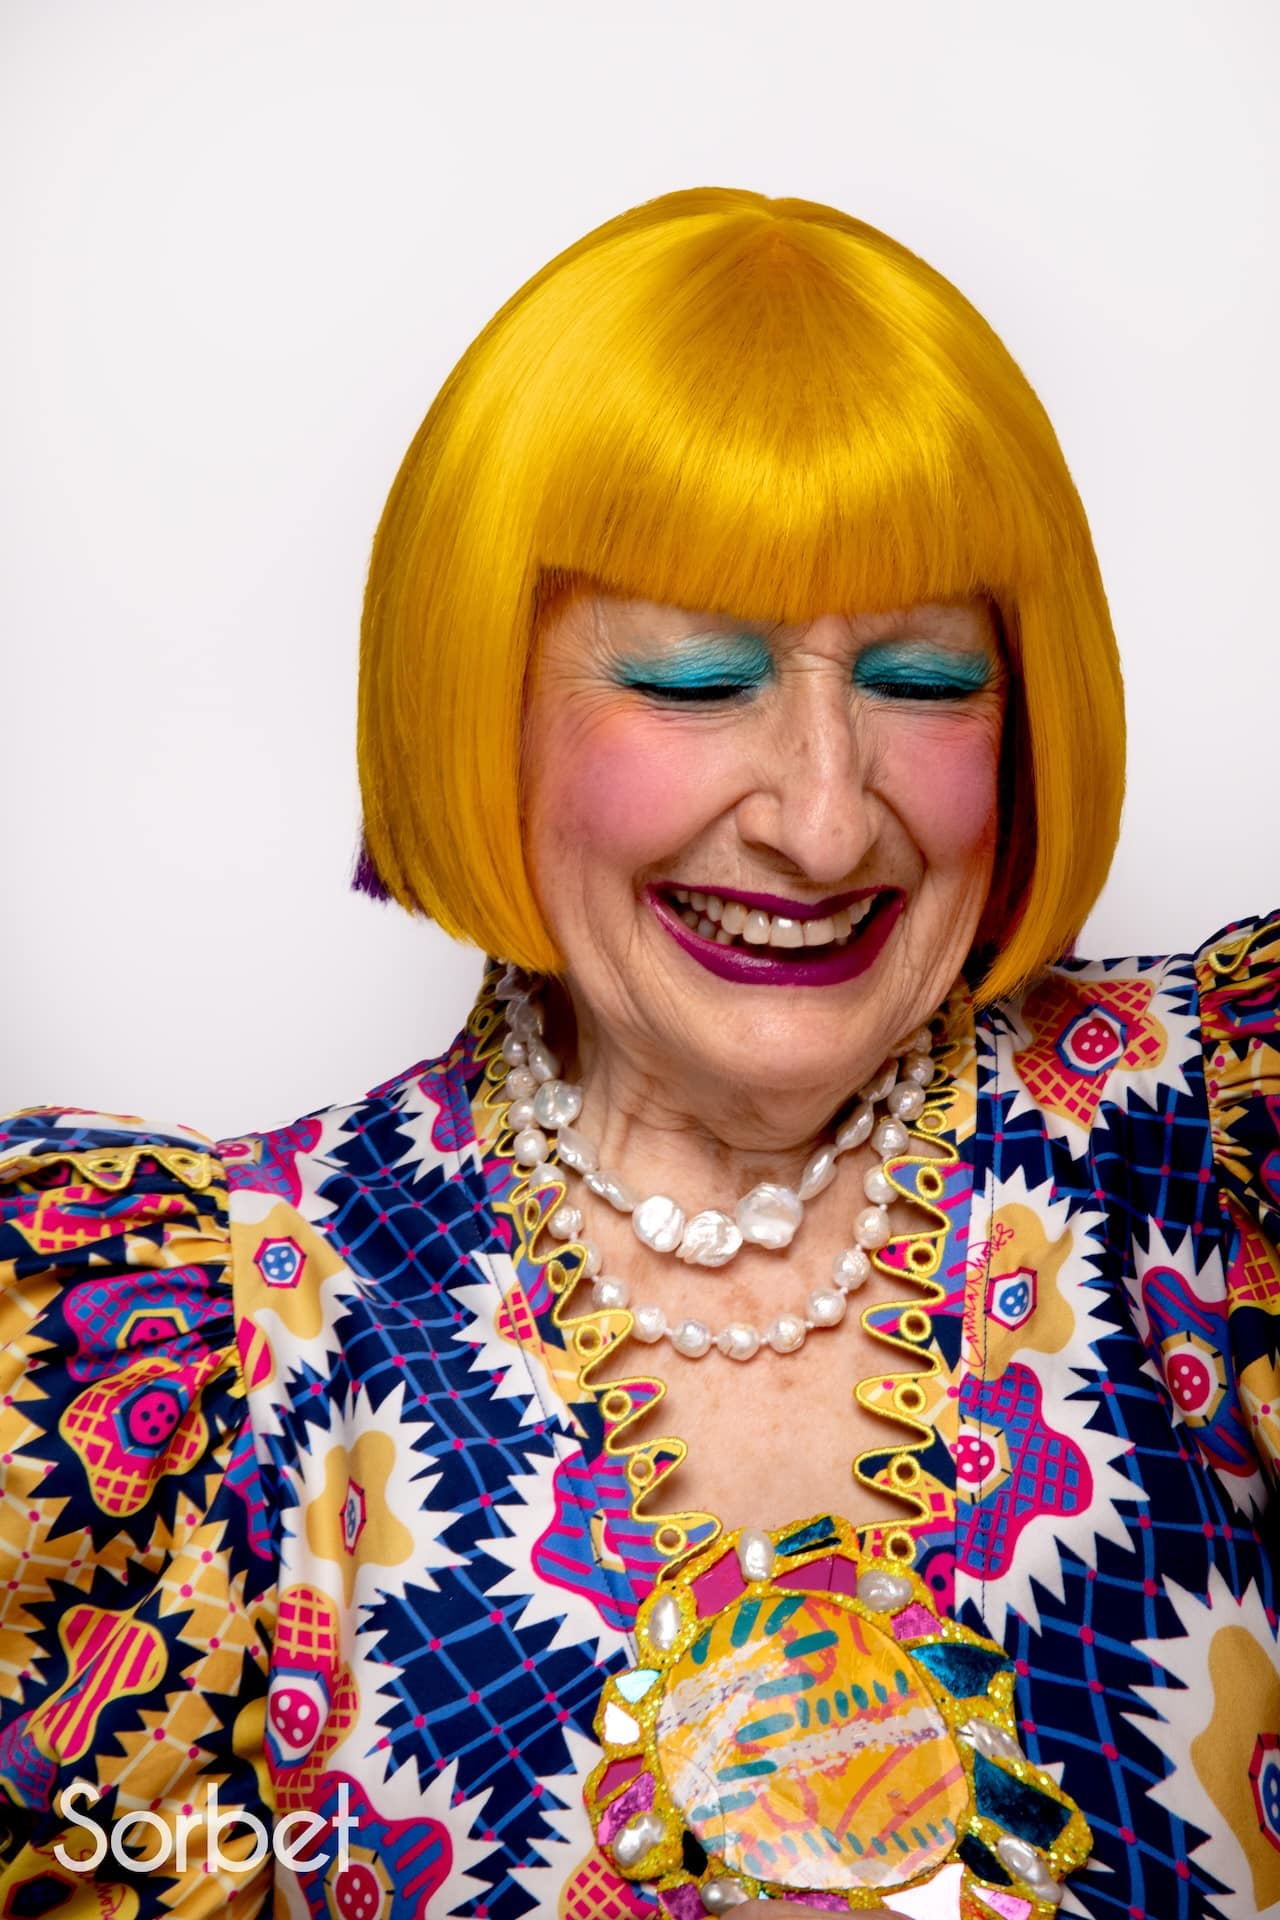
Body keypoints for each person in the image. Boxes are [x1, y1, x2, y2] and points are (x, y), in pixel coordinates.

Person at [0, 186, 1276, 1920]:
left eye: (922, 678)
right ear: (480, 700)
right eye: (691, 682)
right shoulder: (206, 1348)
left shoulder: (1220, 1152)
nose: (825, 822)